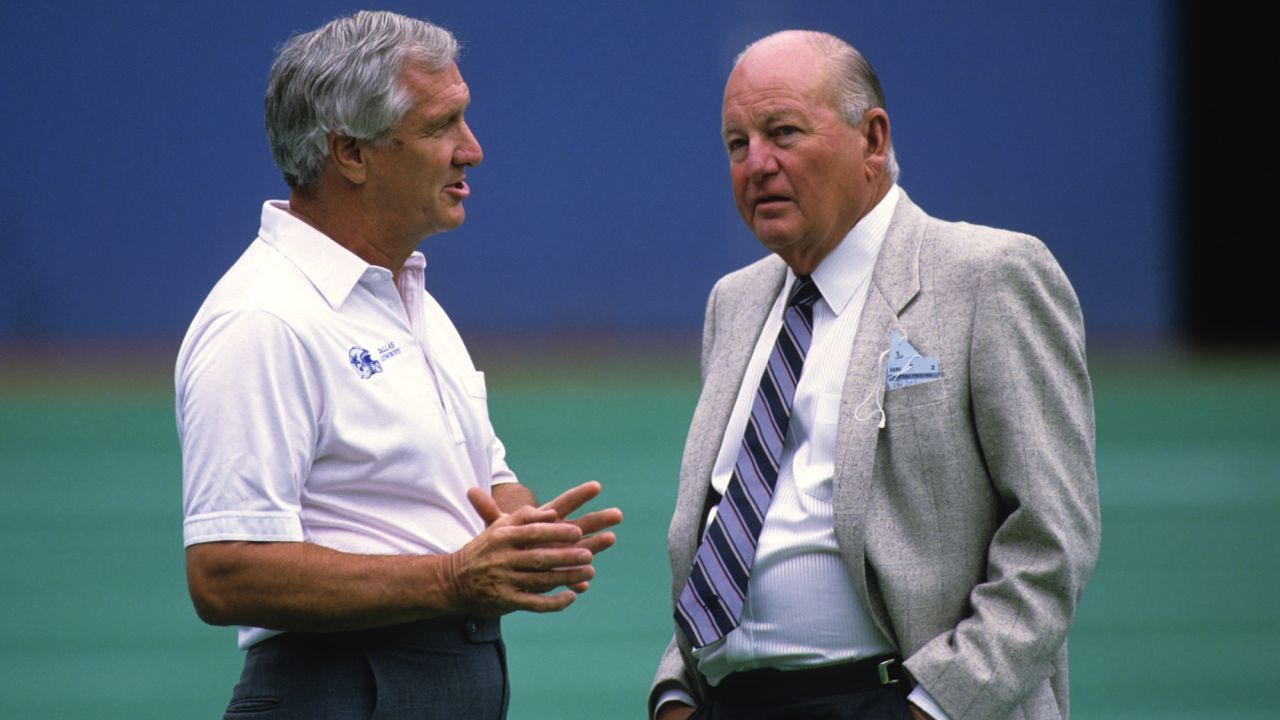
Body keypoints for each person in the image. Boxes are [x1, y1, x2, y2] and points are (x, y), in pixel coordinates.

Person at [176, 11, 621, 719]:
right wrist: (451, 579)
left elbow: (480, 481)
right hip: (339, 688)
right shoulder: (263, 318)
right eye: (442, 125)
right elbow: (226, 570)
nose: (472, 150)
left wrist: (525, 531)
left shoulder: (408, 296)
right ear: (350, 154)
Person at [651, 30, 1099, 720]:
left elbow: (1051, 539)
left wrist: (932, 707)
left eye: (783, 133)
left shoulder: (988, 276)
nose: (757, 164)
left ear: (873, 138)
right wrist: (677, 693)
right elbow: (729, 532)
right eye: (736, 144)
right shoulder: (734, 303)